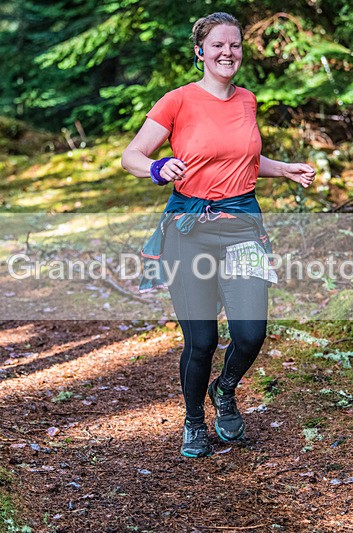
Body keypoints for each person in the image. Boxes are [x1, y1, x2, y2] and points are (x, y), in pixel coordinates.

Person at [121, 12, 315, 458]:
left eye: (235, 45)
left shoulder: (246, 100)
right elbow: (132, 154)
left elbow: (243, 159)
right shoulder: (177, 101)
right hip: (189, 230)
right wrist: (156, 167)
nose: (227, 53)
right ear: (200, 52)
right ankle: (193, 423)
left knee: (251, 333)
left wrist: (282, 169)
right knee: (202, 340)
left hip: (243, 226)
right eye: (218, 46)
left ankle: (224, 390)